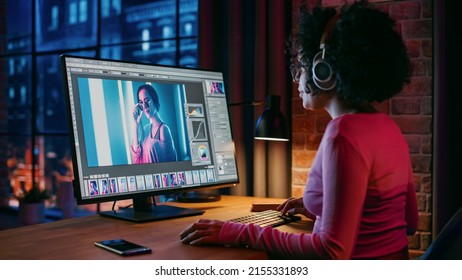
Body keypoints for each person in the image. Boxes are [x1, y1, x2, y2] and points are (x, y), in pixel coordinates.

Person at [179, 0, 418, 259]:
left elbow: (331, 251)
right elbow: (408, 221)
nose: (297, 78)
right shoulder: (388, 128)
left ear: (323, 71)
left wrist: (238, 232)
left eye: (302, 67)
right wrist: (322, 208)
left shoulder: (344, 135)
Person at [131, 84, 177, 164]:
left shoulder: (163, 129)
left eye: (147, 101)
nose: (144, 106)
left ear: (154, 99)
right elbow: (136, 158)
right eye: (141, 102)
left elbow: (171, 162)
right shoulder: (145, 129)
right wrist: (136, 125)